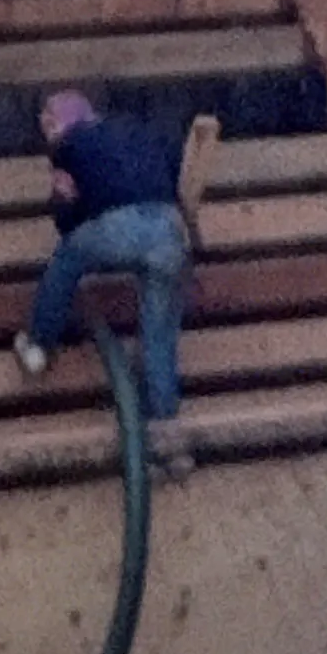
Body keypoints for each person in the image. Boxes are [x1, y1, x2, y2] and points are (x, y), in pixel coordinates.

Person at [13, 89, 193, 461]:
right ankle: (169, 438)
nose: (47, 132)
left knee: (66, 260)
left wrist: (70, 214)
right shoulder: (139, 130)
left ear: (59, 120)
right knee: (159, 332)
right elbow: (172, 169)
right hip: (168, 229)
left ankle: (39, 345)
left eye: (48, 123)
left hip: (117, 228)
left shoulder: (68, 146)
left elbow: (66, 214)